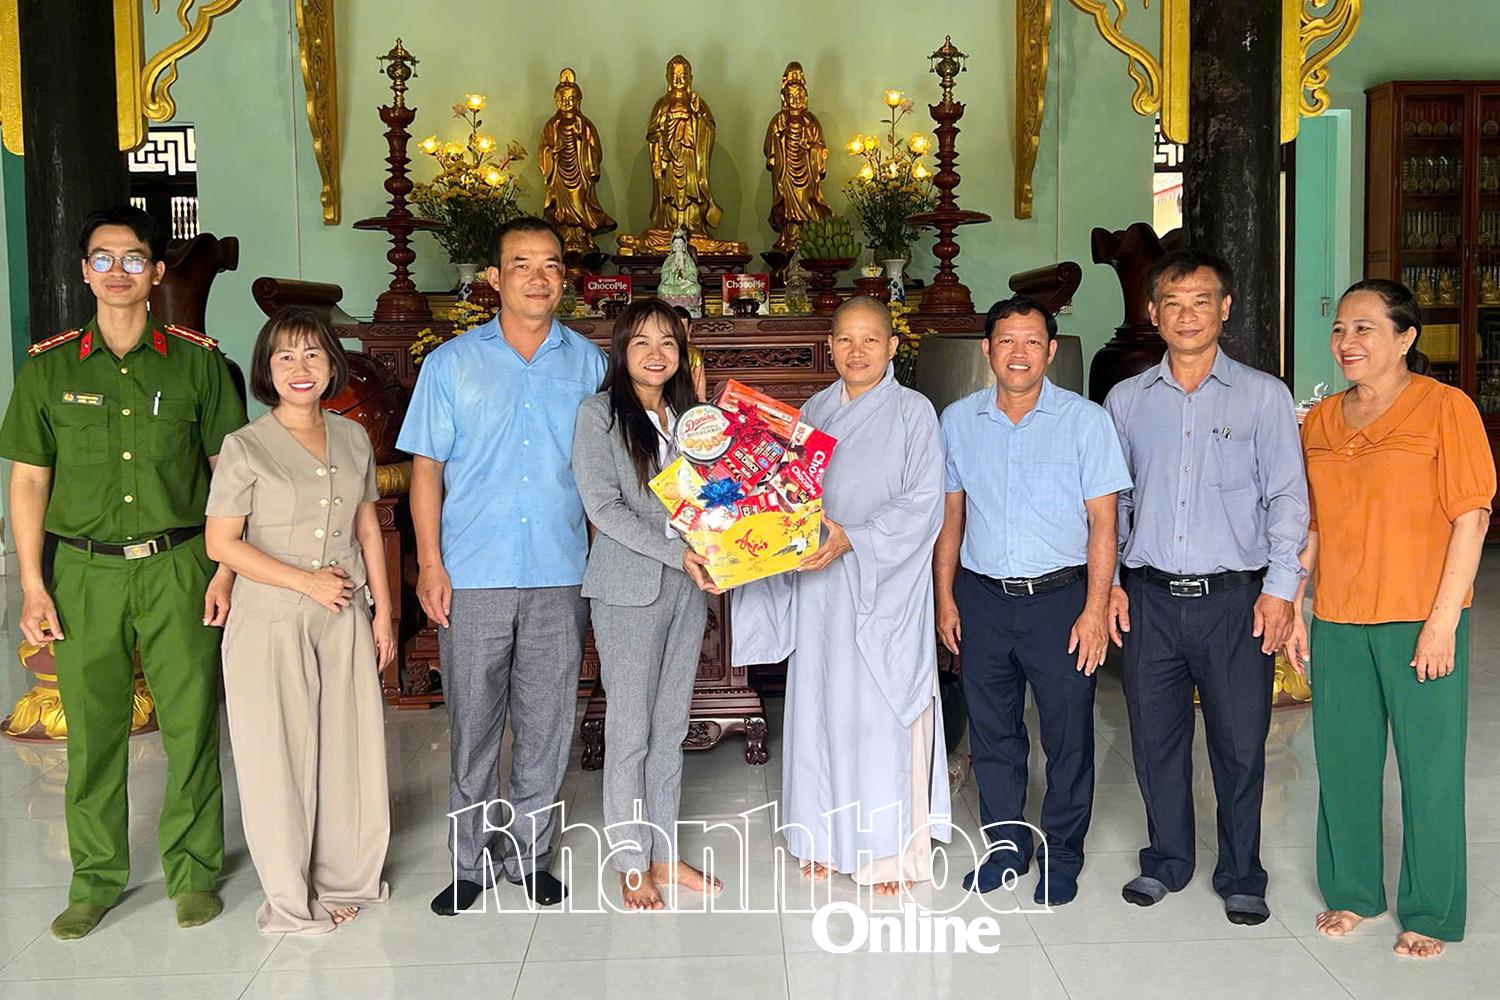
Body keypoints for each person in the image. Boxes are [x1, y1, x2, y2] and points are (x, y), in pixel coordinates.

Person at [0, 205, 246, 939]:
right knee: (94, 730)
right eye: (103, 259)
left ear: (156, 271)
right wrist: (32, 584)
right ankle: (95, 879)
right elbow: (29, 481)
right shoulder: (47, 369)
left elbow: (230, 477)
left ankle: (193, 871)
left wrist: (225, 571)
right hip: (84, 573)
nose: (117, 271)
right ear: (85, 272)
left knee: (191, 725)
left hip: (180, 564)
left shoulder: (198, 363)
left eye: (133, 258)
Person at [397, 216, 607, 914]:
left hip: (560, 568)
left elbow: (611, 467)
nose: (537, 277)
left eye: (550, 265)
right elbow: (425, 472)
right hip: (472, 571)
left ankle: (530, 856)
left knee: (547, 724)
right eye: (521, 264)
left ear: (564, 279)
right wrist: (430, 564)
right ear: (494, 277)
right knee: (474, 727)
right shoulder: (450, 364)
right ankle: (469, 862)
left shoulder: (589, 365)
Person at [1287, 279, 1493, 958]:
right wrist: (1296, 606)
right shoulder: (1320, 421)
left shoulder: (1446, 408)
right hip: (1339, 618)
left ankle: (1431, 910)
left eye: (1364, 328)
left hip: (1419, 618)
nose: (1346, 342)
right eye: (1340, 328)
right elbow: (1312, 527)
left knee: (1429, 771)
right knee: (1342, 762)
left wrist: (1442, 623)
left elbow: (1471, 518)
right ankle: (1354, 892)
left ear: (1406, 338)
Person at [1104, 248, 1308, 926]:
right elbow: (1113, 503)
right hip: (1150, 598)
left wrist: (1281, 589)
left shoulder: (1264, 396)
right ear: (1153, 313)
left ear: (1225, 308)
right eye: (1173, 303)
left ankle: (1242, 872)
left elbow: (1287, 498)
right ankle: (1167, 859)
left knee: (1240, 744)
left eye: (1201, 301)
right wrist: (1111, 583)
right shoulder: (1127, 401)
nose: (1186, 315)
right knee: (1154, 739)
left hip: (1236, 601)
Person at [734, 295, 950, 896]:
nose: (858, 352)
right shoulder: (814, 410)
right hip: (821, 587)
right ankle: (824, 839)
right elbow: (784, 492)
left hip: (885, 587)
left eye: (870, 339)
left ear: (892, 347)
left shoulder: (914, 413)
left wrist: (853, 538)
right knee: (823, 707)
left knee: (880, 715)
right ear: (830, 346)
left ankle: (891, 853)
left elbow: (923, 504)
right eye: (846, 340)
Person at [204, 307, 395, 934]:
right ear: (267, 369)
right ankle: (290, 899)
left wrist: (384, 611)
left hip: (343, 613)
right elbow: (221, 543)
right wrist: (304, 582)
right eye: (284, 356)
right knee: (276, 756)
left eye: (312, 353)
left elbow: (368, 526)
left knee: (347, 748)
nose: (300, 367)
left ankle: (344, 878)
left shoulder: (352, 437)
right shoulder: (245, 446)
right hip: (271, 618)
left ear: (332, 364)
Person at [935, 295, 1130, 906]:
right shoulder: (958, 421)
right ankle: (1006, 847)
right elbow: (951, 521)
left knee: (1067, 737)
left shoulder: (1085, 421)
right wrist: (945, 598)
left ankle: (1063, 853)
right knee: (993, 732)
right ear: (987, 349)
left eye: (1032, 341)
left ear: (1051, 351)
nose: (1018, 353)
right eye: (1006, 341)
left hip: (1060, 601)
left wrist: (1094, 609)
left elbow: (1104, 524)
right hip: (983, 599)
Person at [571, 299, 722, 909]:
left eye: (667, 342)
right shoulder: (599, 415)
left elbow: (715, 498)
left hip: (688, 588)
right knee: (631, 731)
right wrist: (676, 552)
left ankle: (663, 854)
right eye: (642, 342)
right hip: (627, 590)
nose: (656, 354)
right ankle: (630, 862)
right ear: (621, 351)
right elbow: (603, 508)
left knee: (671, 729)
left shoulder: (691, 417)